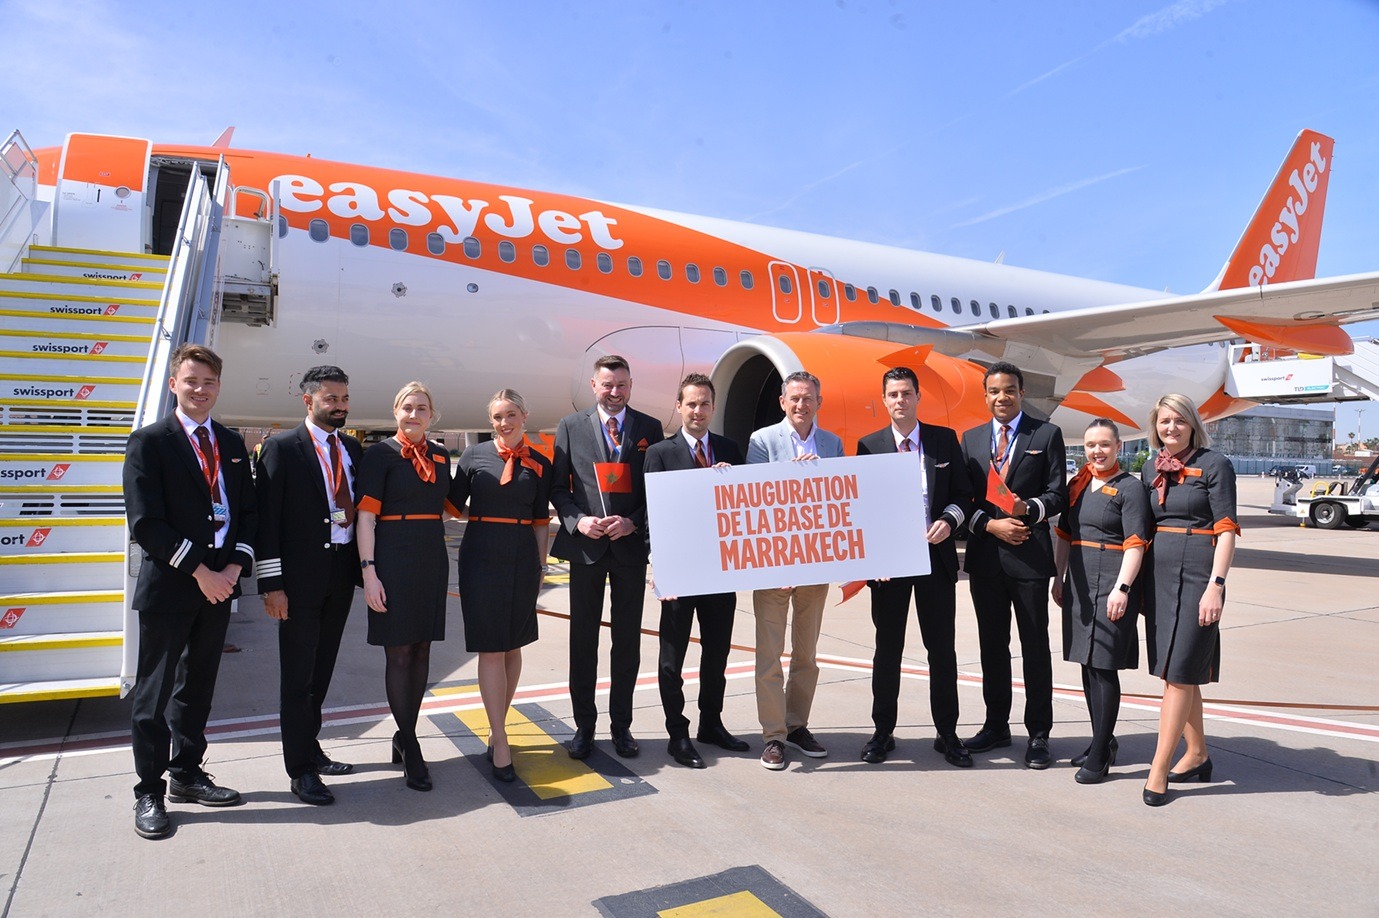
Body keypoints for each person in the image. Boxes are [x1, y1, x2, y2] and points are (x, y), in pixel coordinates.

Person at [123, 344, 256, 839]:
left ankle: (186, 773)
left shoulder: (232, 442)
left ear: (219, 387)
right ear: (173, 384)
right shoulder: (149, 442)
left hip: (219, 588)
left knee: (197, 688)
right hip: (173, 588)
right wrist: (201, 571)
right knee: (153, 695)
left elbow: (248, 513)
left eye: (209, 382)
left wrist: (234, 568)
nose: (201, 390)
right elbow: (146, 523)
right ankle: (148, 791)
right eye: (192, 381)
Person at [855, 367, 974, 768]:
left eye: (906, 393)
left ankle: (948, 733)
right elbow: (863, 507)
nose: (900, 400)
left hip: (935, 560)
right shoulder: (869, 446)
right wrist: (875, 557)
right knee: (887, 650)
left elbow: (963, 494)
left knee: (941, 650)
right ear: (884, 400)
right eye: (893, 394)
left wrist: (950, 521)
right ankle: (882, 732)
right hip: (889, 567)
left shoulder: (943, 440)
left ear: (918, 397)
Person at [254, 365, 362, 806]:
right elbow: (266, 521)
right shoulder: (281, 448)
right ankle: (300, 771)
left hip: (340, 574)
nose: (339, 406)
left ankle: (310, 748)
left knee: (321, 671)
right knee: (298, 677)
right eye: (330, 399)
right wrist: (272, 585)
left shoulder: (351, 448)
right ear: (308, 401)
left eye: (344, 398)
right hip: (297, 583)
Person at [550, 355, 665, 759]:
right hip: (587, 549)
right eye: (608, 385)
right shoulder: (570, 426)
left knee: (626, 642)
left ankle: (622, 725)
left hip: (628, 549)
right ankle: (584, 726)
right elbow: (558, 488)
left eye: (622, 385)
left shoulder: (649, 428)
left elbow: (656, 489)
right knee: (583, 641)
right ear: (594, 386)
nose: (615, 392)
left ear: (631, 385)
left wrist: (634, 522)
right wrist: (578, 521)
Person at [960, 361, 1067, 769]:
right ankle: (996, 725)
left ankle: (1039, 733)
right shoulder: (970, 439)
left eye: (1008, 390)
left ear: (1021, 393)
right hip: (987, 558)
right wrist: (990, 525)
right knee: (992, 647)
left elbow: (1057, 494)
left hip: (1029, 557)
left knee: (1034, 647)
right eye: (993, 391)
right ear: (985, 396)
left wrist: (1028, 510)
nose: (1001, 397)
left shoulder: (1046, 434)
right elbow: (963, 498)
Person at [644, 373, 750, 769]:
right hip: (679, 570)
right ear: (679, 407)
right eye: (691, 403)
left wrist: (728, 483)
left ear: (713, 407)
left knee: (717, 653)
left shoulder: (729, 449)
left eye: (705, 404)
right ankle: (677, 733)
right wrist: (658, 563)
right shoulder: (660, 452)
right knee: (672, 659)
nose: (698, 411)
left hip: (720, 569)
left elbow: (744, 506)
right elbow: (652, 513)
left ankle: (712, 723)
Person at [448, 389, 552, 783]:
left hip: (523, 559)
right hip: (481, 557)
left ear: (524, 415)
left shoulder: (540, 462)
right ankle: (501, 738)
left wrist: (541, 566)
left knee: (513, 645)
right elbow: (451, 507)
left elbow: (541, 521)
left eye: (510, 415)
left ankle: (497, 726)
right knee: (491, 647)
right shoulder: (473, 456)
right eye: (497, 417)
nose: (504, 423)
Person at [1140, 393, 1238, 806]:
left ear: (1193, 424)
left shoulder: (1215, 464)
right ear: (1155, 426)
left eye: (1180, 420)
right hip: (1159, 578)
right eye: (1165, 421)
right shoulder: (1149, 467)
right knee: (1174, 672)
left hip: (1199, 574)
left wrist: (1216, 585)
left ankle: (1158, 768)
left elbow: (1227, 530)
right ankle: (1197, 754)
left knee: (1180, 672)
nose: (1172, 428)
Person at [746, 370, 845, 770]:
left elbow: (841, 498)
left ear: (818, 402)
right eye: (795, 398)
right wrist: (791, 473)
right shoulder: (762, 440)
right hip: (774, 566)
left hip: (814, 565)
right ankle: (773, 736)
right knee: (769, 656)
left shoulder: (832, 443)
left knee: (807, 654)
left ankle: (797, 725)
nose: (801, 404)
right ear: (782, 402)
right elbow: (753, 496)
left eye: (808, 398)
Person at [356, 381, 452, 791]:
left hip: (430, 558)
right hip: (392, 559)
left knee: (422, 649)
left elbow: (451, 508)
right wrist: (369, 572)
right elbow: (365, 519)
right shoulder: (379, 455)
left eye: (422, 408)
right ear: (396, 411)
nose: (414, 414)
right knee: (398, 653)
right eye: (408, 407)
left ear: (431, 415)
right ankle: (410, 743)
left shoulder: (441, 455)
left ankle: (404, 734)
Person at [1052, 419, 1151, 784]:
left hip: (1112, 582)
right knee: (1087, 663)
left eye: (1105, 444)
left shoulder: (1130, 488)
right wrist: (1058, 576)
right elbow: (1064, 535)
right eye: (1091, 445)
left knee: (1104, 665)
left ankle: (1100, 754)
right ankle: (1102, 741)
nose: (1097, 451)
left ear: (1119, 447)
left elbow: (1136, 543)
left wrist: (1122, 588)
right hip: (1080, 584)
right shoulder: (1078, 484)